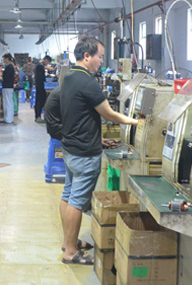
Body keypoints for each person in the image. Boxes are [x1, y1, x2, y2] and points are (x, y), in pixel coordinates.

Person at [59, 37, 137, 265]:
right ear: (87, 56)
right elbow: (109, 114)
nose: (102, 61)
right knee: (76, 200)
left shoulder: (69, 77)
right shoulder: (88, 82)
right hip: (84, 153)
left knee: (68, 195)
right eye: (100, 57)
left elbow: (78, 114)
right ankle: (70, 252)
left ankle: (68, 241)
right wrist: (135, 122)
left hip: (71, 147)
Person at [34, 55, 52, 123]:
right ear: (46, 60)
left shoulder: (39, 65)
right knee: (40, 101)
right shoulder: (39, 66)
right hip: (40, 86)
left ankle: (37, 117)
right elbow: (42, 68)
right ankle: (38, 117)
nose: (47, 64)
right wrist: (49, 68)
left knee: (39, 101)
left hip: (39, 85)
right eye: (47, 63)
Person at [1, 53, 15, 124]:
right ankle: (9, 118)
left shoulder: (9, 68)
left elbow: (5, 78)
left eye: (4, 59)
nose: (3, 60)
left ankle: (8, 119)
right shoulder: (10, 67)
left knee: (7, 103)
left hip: (7, 87)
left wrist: (1, 77)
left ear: (7, 59)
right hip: (9, 87)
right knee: (9, 102)